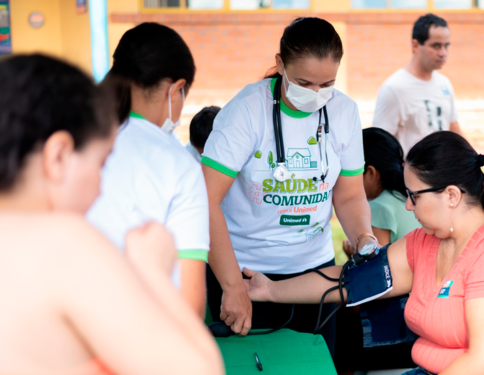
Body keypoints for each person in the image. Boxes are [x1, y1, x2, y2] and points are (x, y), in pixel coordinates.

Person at [244, 132, 484, 375]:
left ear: (452, 195)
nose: (407, 206)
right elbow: (352, 280)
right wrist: (270, 289)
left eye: (413, 196)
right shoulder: (425, 242)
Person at [0, 54, 223, 375]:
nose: (100, 187)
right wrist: (153, 272)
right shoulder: (63, 245)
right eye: (101, 163)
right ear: (59, 155)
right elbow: (200, 369)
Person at [201, 17, 377, 354]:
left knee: (312, 362)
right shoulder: (247, 111)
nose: (315, 95)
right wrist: (232, 285)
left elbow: (351, 194)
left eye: (327, 84)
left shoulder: (343, 112)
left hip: (316, 276)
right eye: (304, 82)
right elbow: (204, 201)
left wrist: (363, 236)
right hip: (244, 273)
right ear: (280, 64)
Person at [87, 23, 210, 316]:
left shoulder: (78, 143)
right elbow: (189, 303)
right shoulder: (179, 165)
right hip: (146, 339)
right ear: (176, 89)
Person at [335, 127, 420, 372]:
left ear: (370, 172)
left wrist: (355, 257)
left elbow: (378, 273)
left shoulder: (380, 206)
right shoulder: (406, 198)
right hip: (419, 297)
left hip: (396, 314)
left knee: (338, 316)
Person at [372, 13, 464, 155]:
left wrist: (471, 161)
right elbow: (379, 145)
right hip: (410, 175)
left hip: (444, 175)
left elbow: (453, 128)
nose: (443, 53)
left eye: (446, 46)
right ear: (416, 45)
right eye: (436, 46)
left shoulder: (444, 84)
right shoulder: (394, 88)